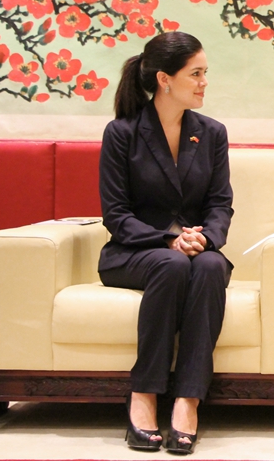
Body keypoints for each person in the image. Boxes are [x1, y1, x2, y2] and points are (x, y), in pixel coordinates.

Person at [98, 31, 233, 455]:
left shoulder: (211, 133)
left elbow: (220, 204)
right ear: (164, 79)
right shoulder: (122, 133)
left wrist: (204, 238)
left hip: (194, 251)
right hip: (133, 252)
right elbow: (116, 214)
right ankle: (144, 395)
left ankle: (188, 400)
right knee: (171, 264)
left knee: (210, 266)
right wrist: (169, 240)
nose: (204, 82)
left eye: (205, 73)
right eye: (195, 74)